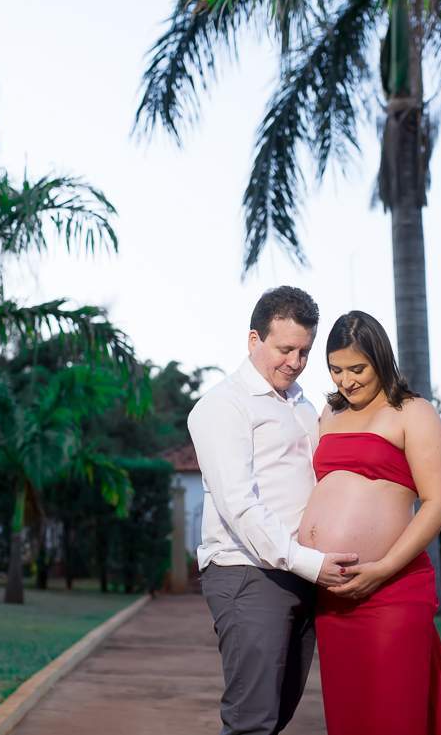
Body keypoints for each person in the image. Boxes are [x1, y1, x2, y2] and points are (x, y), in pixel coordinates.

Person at [188, 286, 358, 735]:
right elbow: (239, 505)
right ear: (254, 340)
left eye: (305, 351)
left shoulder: (303, 405)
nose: (296, 362)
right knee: (252, 722)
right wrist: (310, 563)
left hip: (301, 575)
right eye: (285, 349)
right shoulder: (222, 406)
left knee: (276, 714)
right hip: (249, 574)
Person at [300, 310, 441, 735]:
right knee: (350, 717)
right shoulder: (329, 413)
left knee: (394, 714)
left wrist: (382, 568)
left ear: (380, 359)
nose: (346, 381)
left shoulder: (413, 412)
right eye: (336, 370)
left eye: (357, 369)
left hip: (392, 589)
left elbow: (439, 502)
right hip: (334, 597)